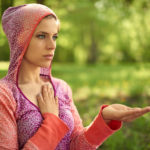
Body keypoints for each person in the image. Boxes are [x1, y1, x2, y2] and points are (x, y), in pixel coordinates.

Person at [0, 3, 150, 150]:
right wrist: (52, 121)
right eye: (41, 36)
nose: (52, 45)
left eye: (54, 37)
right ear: (20, 38)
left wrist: (104, 119)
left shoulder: (61, 88)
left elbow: (77, 145)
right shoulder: (5, 94)